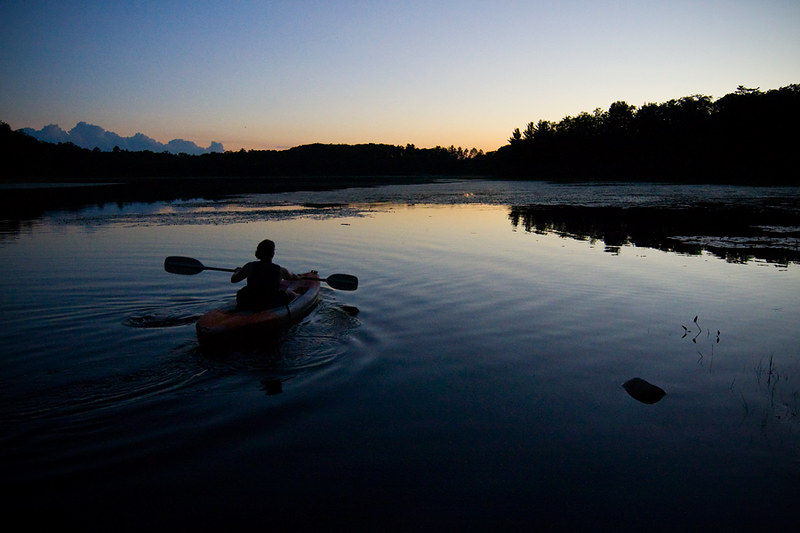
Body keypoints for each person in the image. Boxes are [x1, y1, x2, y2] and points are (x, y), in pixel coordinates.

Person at [231, 239, 299, 310]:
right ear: (272, 253)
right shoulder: (280, 270)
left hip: (250, 300)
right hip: (270, 302)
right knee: (288, 293)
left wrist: (237, 271)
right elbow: (291, 277)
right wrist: (298, 277)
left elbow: (233, 280)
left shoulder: (249, 266)